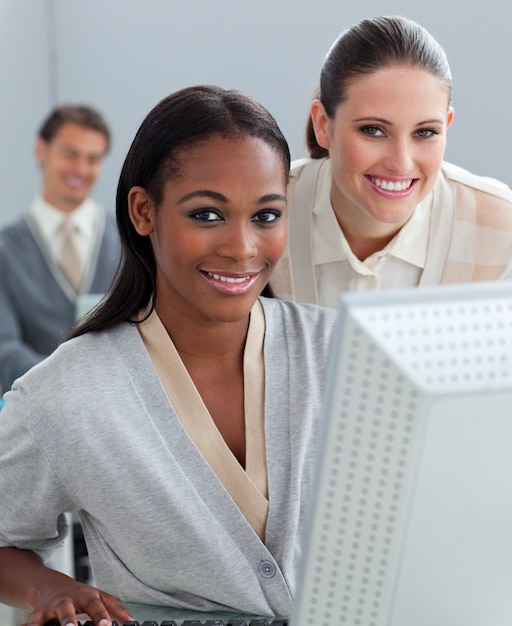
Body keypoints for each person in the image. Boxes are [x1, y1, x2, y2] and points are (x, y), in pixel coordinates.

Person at [0, 85, 337, 626]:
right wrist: (47, 588)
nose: (243, 247)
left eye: (267, 216)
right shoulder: (67, 392)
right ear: (143, 211)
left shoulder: (340, 352)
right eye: (207, 215)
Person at [271, 15, 512, 308]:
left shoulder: (503, 232)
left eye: (425, 132)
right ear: (323, 124)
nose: (400, 163)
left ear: (446, 125)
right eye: (373, 130)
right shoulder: (263, 212)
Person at [0, 104, 120, 393]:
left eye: (93, 158)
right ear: (42, 150)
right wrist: (64, 384)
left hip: (119, 407)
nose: (80, 169)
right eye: (70, 154)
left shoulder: (130, 239)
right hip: (36, 411)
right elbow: (4, 346)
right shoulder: (5, 250)